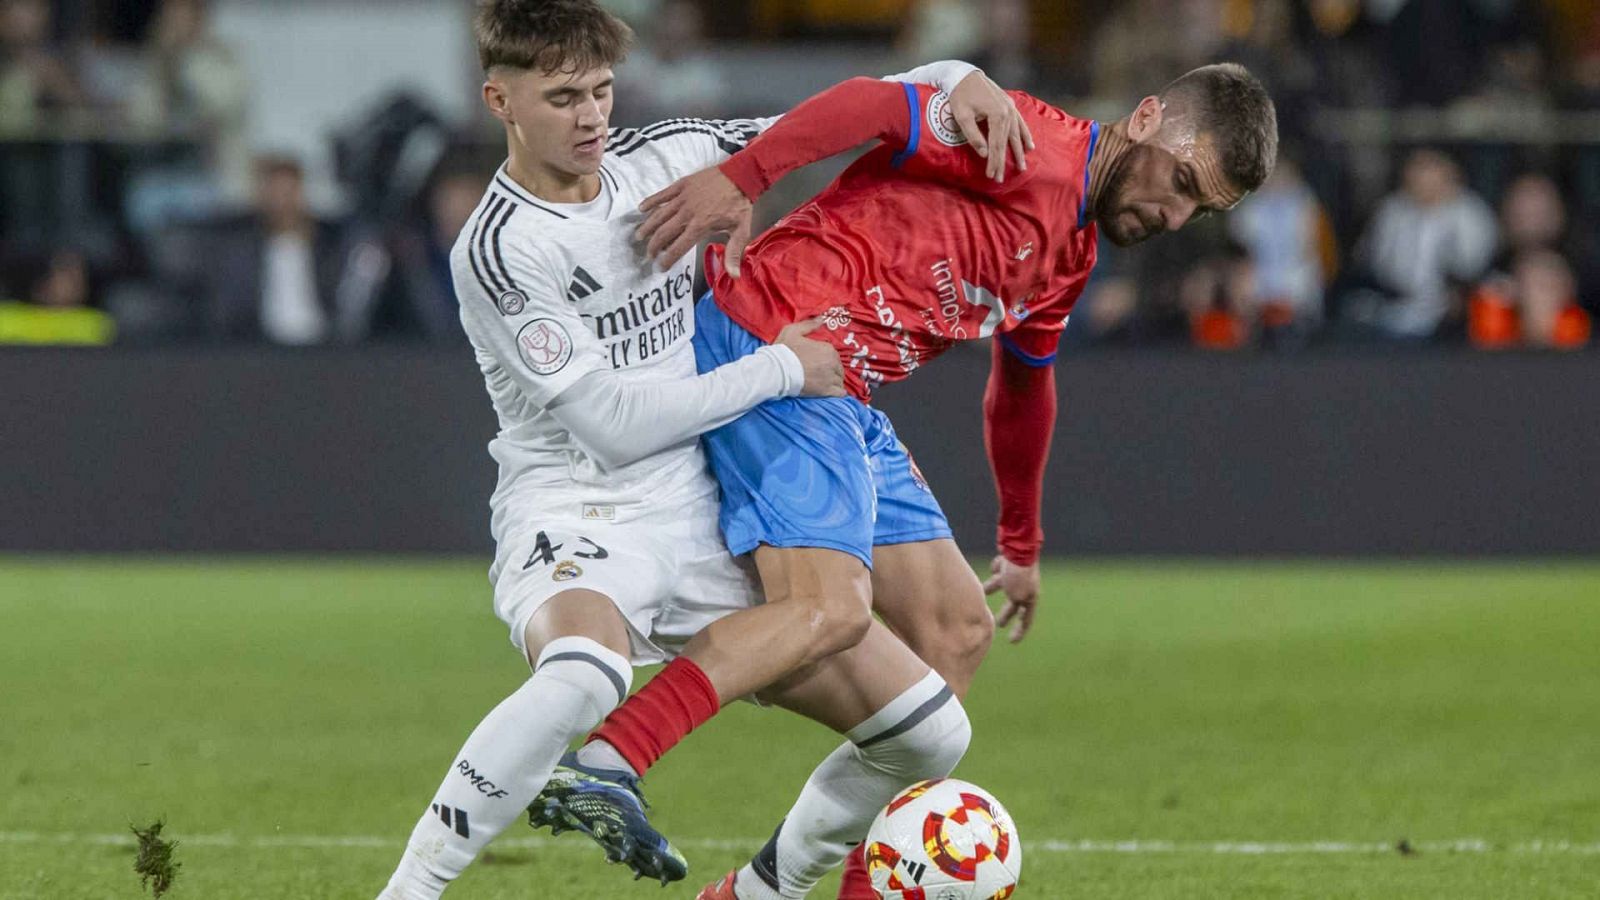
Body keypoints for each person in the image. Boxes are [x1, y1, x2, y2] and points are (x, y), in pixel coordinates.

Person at [536, 62, 1278, 898]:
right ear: (1144, 117)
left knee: (958, 631)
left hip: (841, 392)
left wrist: (1021, 543)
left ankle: (794, 888)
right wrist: (743, 179)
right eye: (1180, 181)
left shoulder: (1071, 250)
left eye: (1199, 208)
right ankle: (605, 762)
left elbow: (1024, 387)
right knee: (828, 610)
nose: (1174, 214)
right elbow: (873, 105)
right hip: (773, 342)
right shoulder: (1028, 148)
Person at [375, 1, 1032, 897]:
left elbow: (865, 105)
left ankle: (762, 892)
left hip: (699, 507)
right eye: (564, 96)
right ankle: (409, 890)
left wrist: (964, 81)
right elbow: (611, 423)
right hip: (579, 506)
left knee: (930, 734)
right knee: (583, 676)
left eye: (602, 92)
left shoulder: (670, 156)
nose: (591, 117)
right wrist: (779, 371)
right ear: (500, 99)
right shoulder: (500, 249)